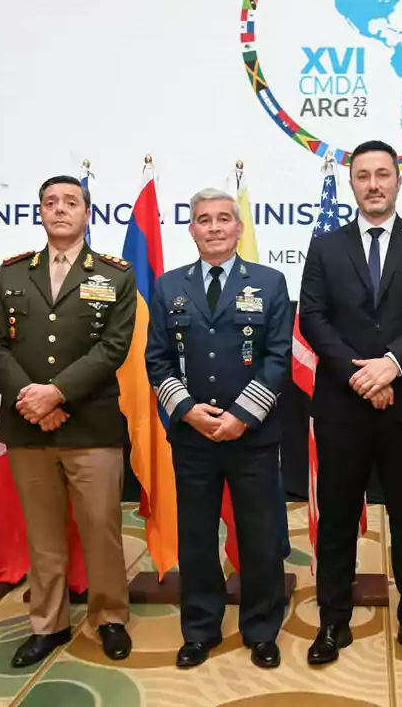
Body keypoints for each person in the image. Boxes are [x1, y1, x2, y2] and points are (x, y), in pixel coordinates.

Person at [298, 139, 402, 668]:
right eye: (362, 176)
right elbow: (314, 317)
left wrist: (392, 364)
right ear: (351, 184)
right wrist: (361, 374)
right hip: (343, 406)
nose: (373, 184)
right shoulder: (326, 246)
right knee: (337, 519)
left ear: (398, 181)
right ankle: (332, 621)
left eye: (382, 174)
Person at [0, 175, 136, 666]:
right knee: (43, 533)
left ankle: (109, 616)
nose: (61, 209)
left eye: (71, 202)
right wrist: (31, 399)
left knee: (102, 529)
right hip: (29, 425)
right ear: (41, 213)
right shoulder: (13, 274)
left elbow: (113, 347)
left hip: (90, 424)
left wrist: (57, 393)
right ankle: (47, 623)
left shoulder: (115, 275)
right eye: (51, 202)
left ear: (88, 213)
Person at [146, 189, 293, 670]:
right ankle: (200, 629)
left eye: (223, 219)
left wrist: (241, 416)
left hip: (251, 435)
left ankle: (262, 627)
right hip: (192, 436)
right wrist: (186, 409)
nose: (214, 227)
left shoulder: (270, 283)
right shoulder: (169, 286)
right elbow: (158, 359)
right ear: (191, 230)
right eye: (203, 220)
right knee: (196, 536)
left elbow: (277, 359)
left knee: (259, 534)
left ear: (239, 227)